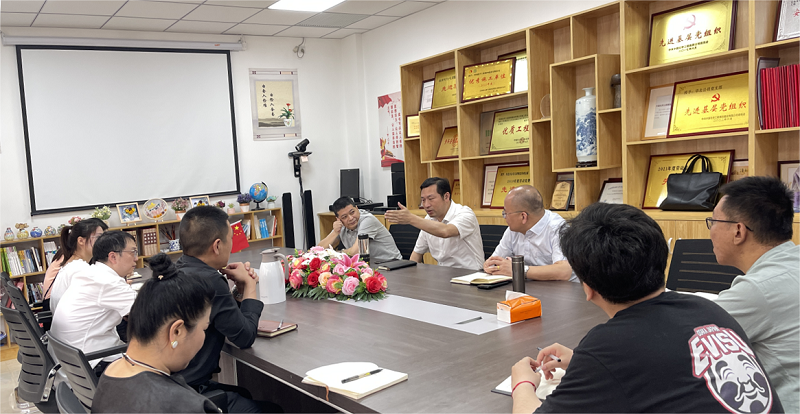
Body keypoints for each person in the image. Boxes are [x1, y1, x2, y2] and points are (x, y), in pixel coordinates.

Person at [510, 203, 783, 413]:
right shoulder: (709, 311)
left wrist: (522, 382)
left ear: (588, 288)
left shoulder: (608, 346)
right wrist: (585, 363)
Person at [174, 206, 280, 413]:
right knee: (272, 410)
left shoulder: (179, 269)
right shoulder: (210, 280)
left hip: (172, 384)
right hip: (189, 392)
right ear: (217, 245)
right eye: (231, 239)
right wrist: (250, 286)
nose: (232, 245)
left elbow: (223, 319)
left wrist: (238, 291)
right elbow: (244, 337)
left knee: (244, 394)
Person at [709, 176, 799, 413]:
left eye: (713, 221)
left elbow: (688, 337)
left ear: (738, 231)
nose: (711, 232)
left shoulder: (757, 290)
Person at [93, 253, 220, 413]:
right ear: (177, 331)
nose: (203, 336)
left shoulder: (111, 374)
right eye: (204, 328)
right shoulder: (185, 406)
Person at [49, 230, 137, 376]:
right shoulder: (109, 282)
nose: (136, 258)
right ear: (113, 256)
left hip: (71, 364)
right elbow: (150, 312)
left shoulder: (90, 273)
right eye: (133, 252)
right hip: (92, 363)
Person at [384, 177, 483, 269]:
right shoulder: (429, 219)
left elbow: (445, 231)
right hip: (443, 275)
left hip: (471, 275)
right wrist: (410, 275)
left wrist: (411, 218)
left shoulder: (465, 214)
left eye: (431, 199)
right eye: (423, 200)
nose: (426, 205)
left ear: (446, 196)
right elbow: (417, 253)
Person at [483, 186, 576, 282]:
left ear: (523, 216)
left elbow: (564, 271)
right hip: (530, 287)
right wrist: (490, 265)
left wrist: (518, 270)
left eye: (506, 213)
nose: (504, 217)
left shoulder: (557, 228)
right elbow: (494, 261)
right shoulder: (513, 230)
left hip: (563, 289)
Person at [46, 218, 108, 313]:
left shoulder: (72, 264)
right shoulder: (81, 269)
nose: (104, 242)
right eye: (99, 238)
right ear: (81, 241)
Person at [318, 197, 402, 263]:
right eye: (344, 217)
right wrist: (335, 232)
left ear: (357, 208)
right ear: (338, 219)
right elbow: (318, 250)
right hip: (370, 265)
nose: (350, 218)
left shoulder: (367, 220)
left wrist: (336, 253)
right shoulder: (341, 225)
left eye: (352, 212)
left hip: (392, 264)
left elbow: (356, 252)